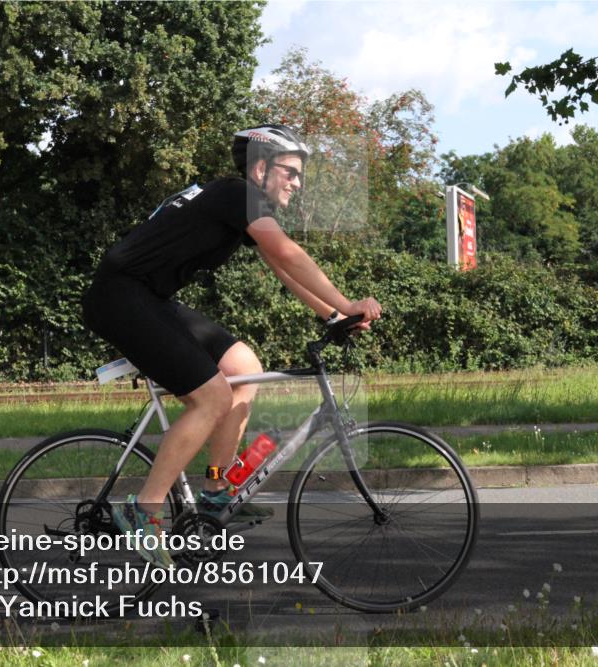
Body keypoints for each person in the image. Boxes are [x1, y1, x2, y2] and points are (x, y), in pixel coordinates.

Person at [80, 124, 382, 568]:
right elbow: (288, 254)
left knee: (243, 366)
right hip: (120, 296)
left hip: (149, 297)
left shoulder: (240, 203)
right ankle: (144, 511)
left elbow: (282, 267)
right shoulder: (235, 192)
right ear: (260, 169)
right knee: (211, 398)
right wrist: (347, 302)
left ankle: (215, 490)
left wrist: (334, 316)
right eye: (291, 172)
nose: (297, 183)